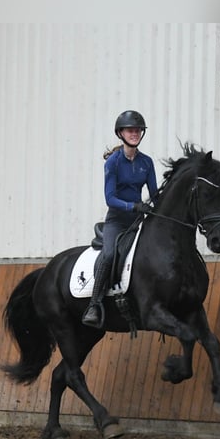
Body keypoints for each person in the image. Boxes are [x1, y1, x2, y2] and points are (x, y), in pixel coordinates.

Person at [82, 110, 158, 328]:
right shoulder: (113, 163)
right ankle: (94, 305)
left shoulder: (147, 162)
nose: (134, 133)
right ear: (121, 133)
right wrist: (134, 206)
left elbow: (154, 194)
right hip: (117, 220)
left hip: (138, 221)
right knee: (108, 254)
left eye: (137, 130)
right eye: (130, 130)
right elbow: (110, 198)